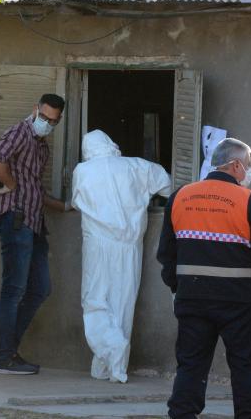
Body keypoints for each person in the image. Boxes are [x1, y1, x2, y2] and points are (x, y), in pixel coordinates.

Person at [156, 138, 251, 419]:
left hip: (192, 297)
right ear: (236, 165)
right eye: (248, 165)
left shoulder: (180, 196)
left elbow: (166, 253)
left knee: (191, 366)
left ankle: (182, 414)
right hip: (239, 300)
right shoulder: (249, 200)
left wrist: (175, 287)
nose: (249, 171)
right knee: (245, 367)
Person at [71, 129, 172, 383]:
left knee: (94, 301)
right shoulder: (137, 166)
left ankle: (111, 347)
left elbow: (76, 203)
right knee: (123, 303)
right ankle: (113, 368)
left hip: (97, 244)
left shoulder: (82, 171)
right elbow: (168, 184)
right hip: (129, 246)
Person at [0, 93, 66, 375]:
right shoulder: (20, 131)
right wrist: (10, 185)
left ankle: (7, 353)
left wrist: (67, 207)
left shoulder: (42, 146)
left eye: (52, 120)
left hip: (34, 223)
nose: (46, 123)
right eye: (43, 117)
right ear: (35, 110)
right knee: (14, 290)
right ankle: (5, 358)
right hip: (16, 220)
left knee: (40, 289)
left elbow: (37, 191)